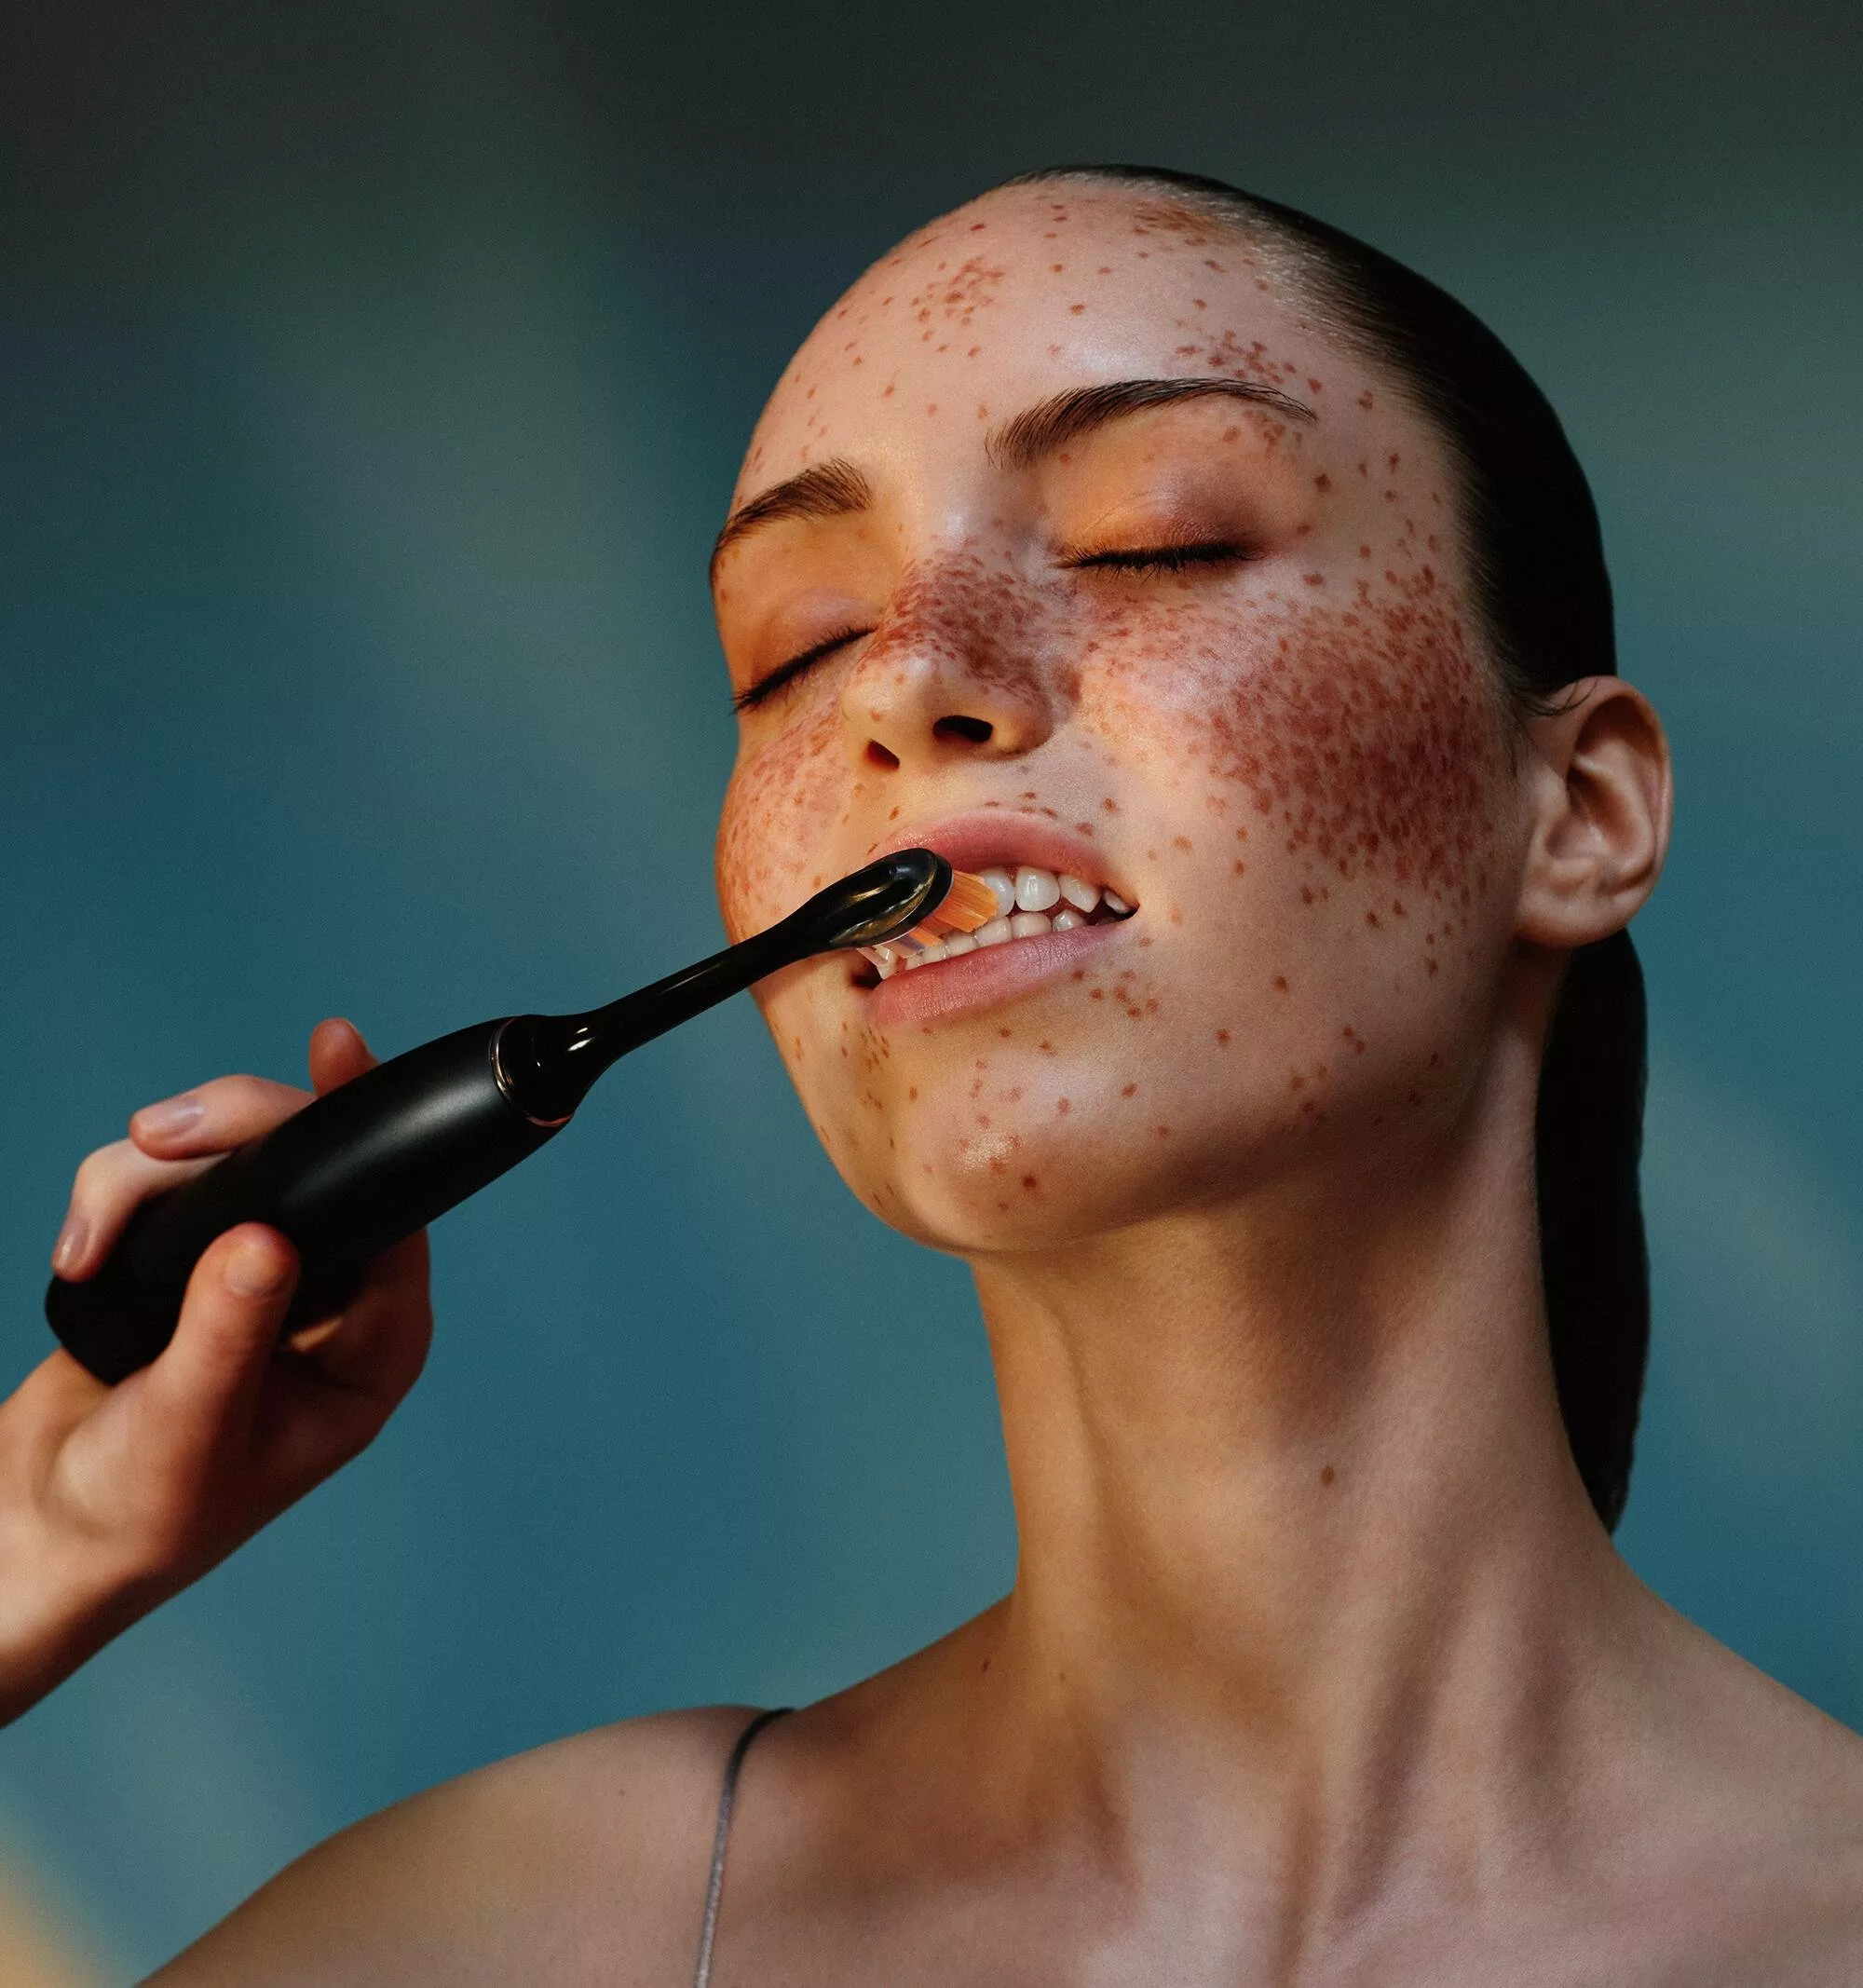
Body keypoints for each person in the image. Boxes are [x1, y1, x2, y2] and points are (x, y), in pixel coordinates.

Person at [13, 165, 1863, 1982]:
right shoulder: (512, 1934)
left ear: (1582, 811)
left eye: (1157, 538)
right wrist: (38, 1552)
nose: (906, 683)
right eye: (794, 647)